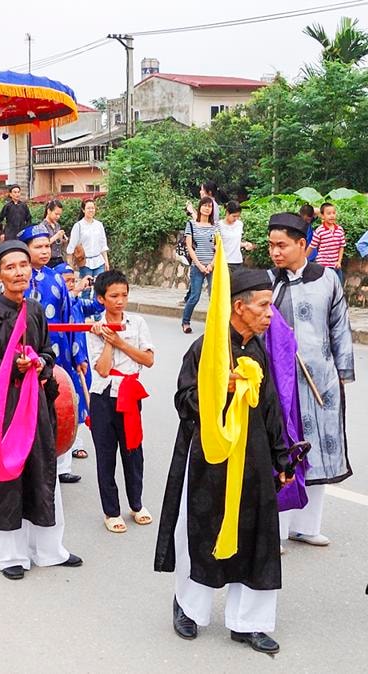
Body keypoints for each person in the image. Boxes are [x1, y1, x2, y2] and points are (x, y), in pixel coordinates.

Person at [154, 268, 291, 655]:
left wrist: (281, 457)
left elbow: (271, 408)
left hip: (254, 460)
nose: (270, 314)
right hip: (210, 458)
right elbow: (184, 402)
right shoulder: (205, 349)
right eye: (263, 306)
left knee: (258, 537)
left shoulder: (258, 348)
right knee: (201, 530)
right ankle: (189, 607)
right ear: (238, 306)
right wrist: (218, 388)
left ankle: (249, 622)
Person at [0, 241, 82, 580]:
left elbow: (48, 352)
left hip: (36, 405)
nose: (19, 272)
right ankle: (9, 555)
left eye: (23, 266)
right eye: (10, 267)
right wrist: (10, 366)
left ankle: (49, 550)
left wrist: (40, 362)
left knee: (43, 473)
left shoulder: (35, 311)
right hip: (3, 409)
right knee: (5, 477)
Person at [268, 212, 354, 547]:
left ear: (302, 244)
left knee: (317, 455)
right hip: (280, 385)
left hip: (321, 384)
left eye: (282, 245)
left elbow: (340, 328)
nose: (275, 252)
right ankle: (275, 531)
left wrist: (342, 375)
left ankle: (307, 526)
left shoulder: (328, 279)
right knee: (284, 455)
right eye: (271, 245)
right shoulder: (268, 282)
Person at [86, 270, 155, 533]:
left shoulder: (137, 323)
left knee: (133, 452)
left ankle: (136, 504)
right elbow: (102, 369)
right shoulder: (93, 326)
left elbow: (148, 359)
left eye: (124, 295)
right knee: (106, 455)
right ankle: (111, 511)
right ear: (101, 298)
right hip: (103, 394)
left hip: (130, 392)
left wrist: (120, 342)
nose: (119, 301)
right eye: (113, 296)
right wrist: (107, 341)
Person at [19, 222, 84, 484]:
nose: (45, 251)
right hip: (26, 355)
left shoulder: (57, 278)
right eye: (39, 247)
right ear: (26, 249)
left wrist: (78, 355)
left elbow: (72, 317)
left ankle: (61, 466)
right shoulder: (18, 278)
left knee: (60, 404)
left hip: (58, 352)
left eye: (47, 246)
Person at [56, 262, 102, 461]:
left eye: (73, 281)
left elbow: (97, 305)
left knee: (80, 401)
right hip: (62, 360)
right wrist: (75, 291)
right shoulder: (56, 305)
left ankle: (76, 443)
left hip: (79, 361)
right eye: (66, 282)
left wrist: (99, 287)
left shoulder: (77, 304)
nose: (71, 285)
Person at [181, 197, 218, 334]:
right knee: (195, 296)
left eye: (210, 206)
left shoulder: (215, 226)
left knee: (213, 297)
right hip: (197, 267)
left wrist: (211, 265)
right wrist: (200, 265)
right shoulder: (191, 224)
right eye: (205, 205)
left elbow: (218, 248)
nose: (207, 208)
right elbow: (189, 247)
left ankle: (213, 324)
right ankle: (185, 322)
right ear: (200, 207)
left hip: (212, 267)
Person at [66, 198, 109, 299]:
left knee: (99, 288)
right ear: (83, 210)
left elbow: (103, 244)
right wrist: (69, 266)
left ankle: (97, 313)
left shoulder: (99, 225)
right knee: (86, 288)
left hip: (99, 262)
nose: (91, 210)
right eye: (88, 208)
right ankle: (85, 313)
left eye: (93, 208)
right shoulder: (78, 226)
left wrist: (106, 262)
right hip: (85, 263)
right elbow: (71, 247)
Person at [307, 202, 346, 281]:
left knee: (339, 288)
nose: (332, 215)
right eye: (328, 213)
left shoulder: (340, 230)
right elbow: (312, 246)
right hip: (323, 266)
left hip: (336, 266)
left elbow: (341, 246)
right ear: (322, 216)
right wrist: (303, 259)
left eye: (334, 213)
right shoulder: (319, 231)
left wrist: (339, 261)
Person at [219, 201, 255, 266]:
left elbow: (235, 242)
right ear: (227, 213)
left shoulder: (239, 224)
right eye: (234, 216)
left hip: (238, 261)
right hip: (223, 261)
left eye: (238, 216)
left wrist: (245, 244)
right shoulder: (219, 225)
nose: (236, 218)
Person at [38, 199, 68, 268]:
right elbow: (43, 244)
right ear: (48, 211)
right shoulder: (42, 226)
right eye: (56, 214)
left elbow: (58, 243)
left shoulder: (57, 225)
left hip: (59, 258)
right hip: (48, 260)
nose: (58, 217)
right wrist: (56, 236)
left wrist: (63, 240)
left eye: (59, 215)